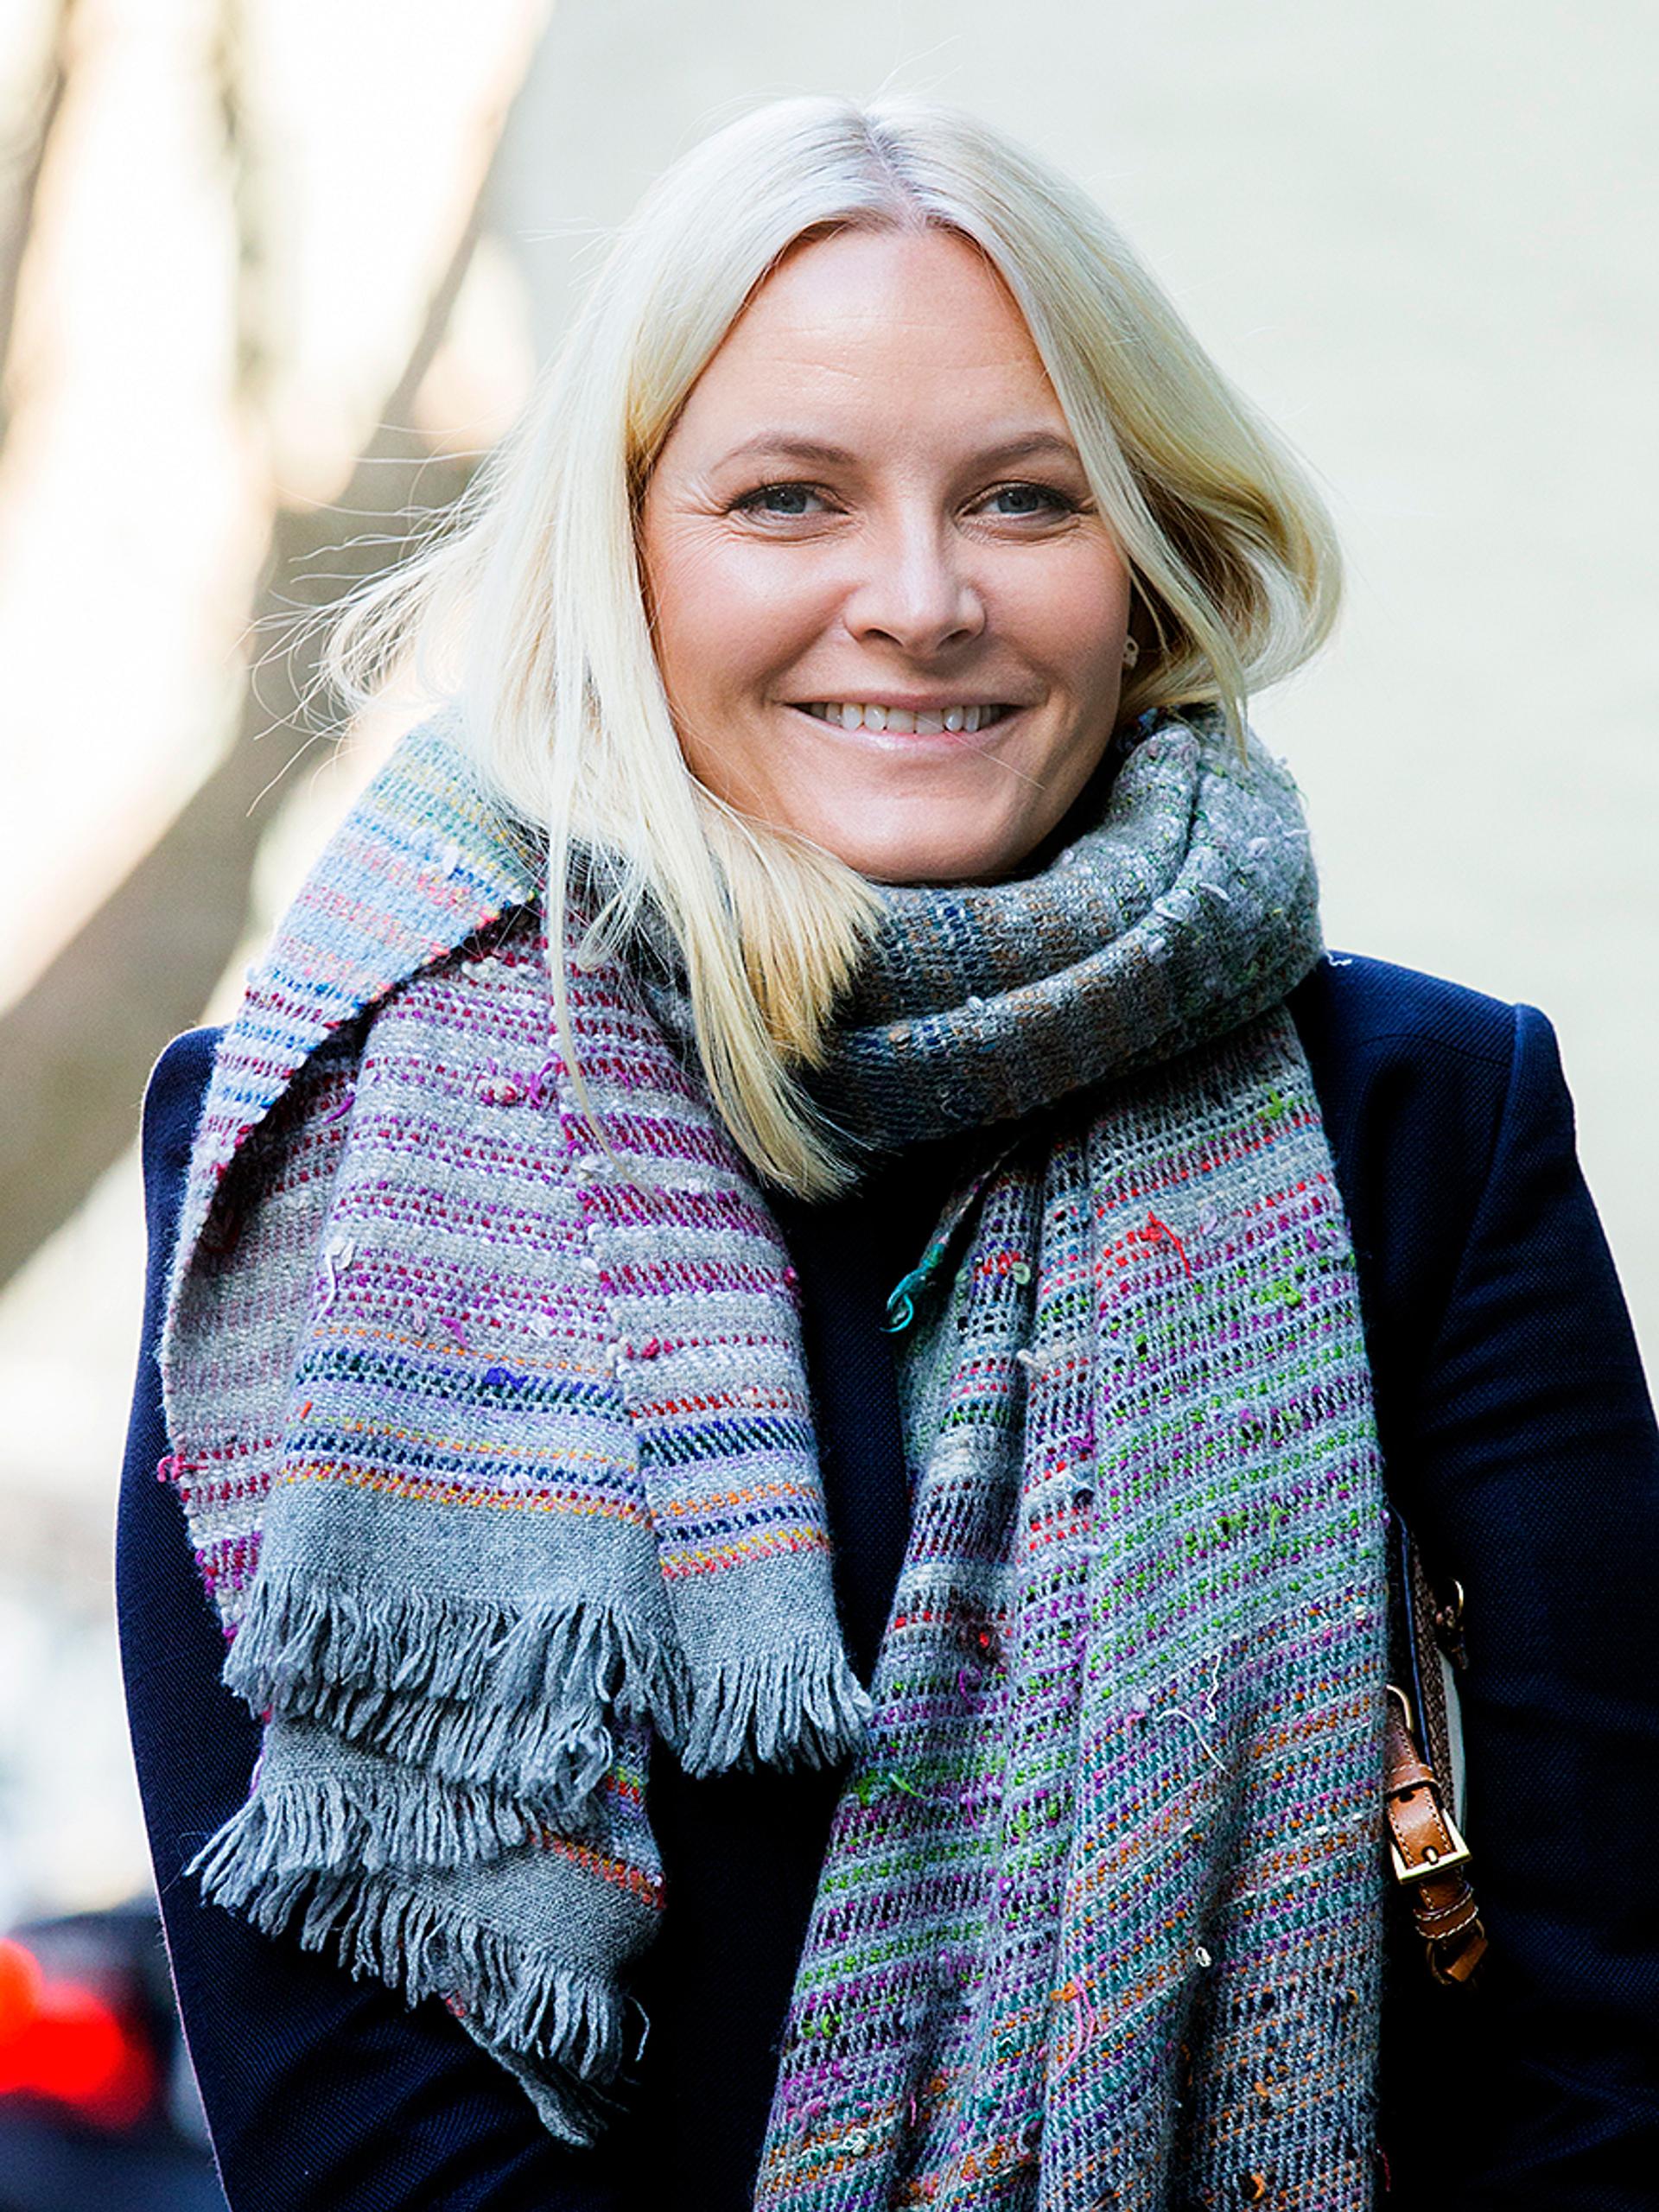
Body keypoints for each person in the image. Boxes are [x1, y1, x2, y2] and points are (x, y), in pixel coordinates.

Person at [116, 94, 1659, 2212]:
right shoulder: (329, 1127)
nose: (921, 601)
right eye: (789, 499)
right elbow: (346, 2099)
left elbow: (1608, 2037)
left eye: (1026, 496)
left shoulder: (1423, 1119)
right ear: (623, 560)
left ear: (1149, 563)